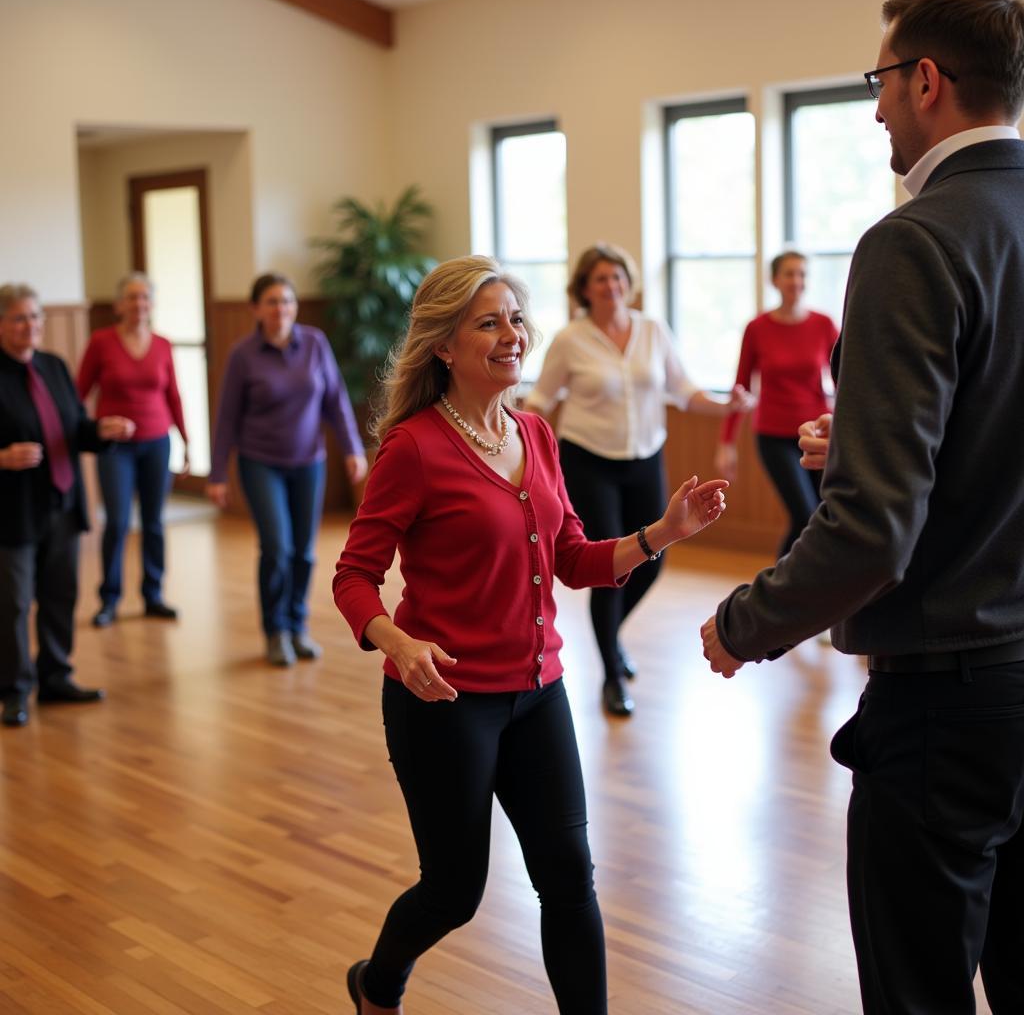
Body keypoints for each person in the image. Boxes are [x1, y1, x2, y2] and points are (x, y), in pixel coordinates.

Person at [700, 0, 1024, 1011]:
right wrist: (883, 430)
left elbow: (874, 533)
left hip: (947, 699)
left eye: (878, 84)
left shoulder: (913, 240)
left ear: (924, 79)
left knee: (915, 990)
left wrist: (743, 623)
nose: (874, 111)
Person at [333, 255, 727, 1015]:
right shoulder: (413, 448)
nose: (512, 334)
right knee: (454, 890)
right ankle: (376, 983)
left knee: (569, 876)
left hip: (540, 692)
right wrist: (397, 642)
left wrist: (664, 532)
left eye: (515, 317)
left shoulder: (538, 434)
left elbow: (574, 559)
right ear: (445, 346)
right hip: (445, 701)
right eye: (489, 322)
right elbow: (353, 576)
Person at [526, 242, 751, 716]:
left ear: (629, 283)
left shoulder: (653, 330)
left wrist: (727, 405)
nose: (612, 286)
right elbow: (541, 401)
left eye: (618, 277)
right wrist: (521, 448)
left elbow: (683, 391)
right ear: (584, 289)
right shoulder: (571, 339)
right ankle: (611, 674)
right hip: (589, 461)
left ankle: (610, 639)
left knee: (654, 561)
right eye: (601, 279)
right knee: (611, 566)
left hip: (646, 457)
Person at [207, 272, 367, 667]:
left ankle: (297, 626)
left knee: (304, 553)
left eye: (288, 301)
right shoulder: (243, 355)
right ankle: (275, 631)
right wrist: (216, 474)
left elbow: (336, 400)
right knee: (277, 548)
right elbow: (226, 417)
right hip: (260, 462)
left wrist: (351, 448)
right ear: (256, 309)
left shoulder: (314, 343)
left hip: (309, 461)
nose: (282, 309)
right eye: (273, 302)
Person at [0, 284, 135, 728]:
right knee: (14, 604)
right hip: (13, 511)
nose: (32, 326)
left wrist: (102, 431)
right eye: (21, 318)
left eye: (36, 317)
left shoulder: (53, 367)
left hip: (62, 502)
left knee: (61, 596)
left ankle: (55, 677)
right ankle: (15, 691)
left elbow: (74, 428)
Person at [76, 272, 189, 627]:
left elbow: (174, 395)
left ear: (152, 304)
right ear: (119, 304)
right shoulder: (101, 342)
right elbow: (76, 394)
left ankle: (153, 595)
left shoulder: (162, 344)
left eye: (145, 297)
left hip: (157, 442)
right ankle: (109, 598)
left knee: (154, 522)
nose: (139, 304)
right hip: (116, 448)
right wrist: (87, 431)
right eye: (132, 297)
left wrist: (186, 441)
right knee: (118, 521)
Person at [715, 251, 839, 558]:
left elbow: (844, 381)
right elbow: (740, 387)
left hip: (818, 434)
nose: (796, 281)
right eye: (789, 273)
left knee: (825, 515)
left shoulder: (824, 324)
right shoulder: (757, 328)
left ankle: (808, 590)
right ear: (774, 280)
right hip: (773, 436)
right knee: (805, 515)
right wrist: (726, 443)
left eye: (802, 274)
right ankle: (777, 591)